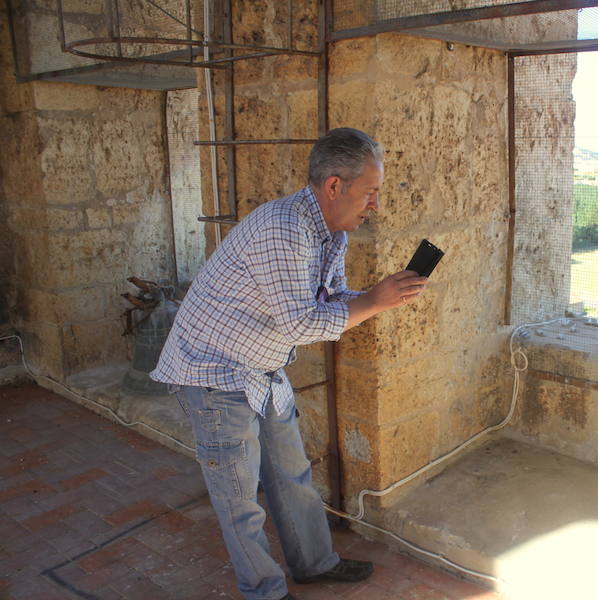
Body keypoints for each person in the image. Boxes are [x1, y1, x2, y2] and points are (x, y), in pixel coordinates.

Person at [150, 128, 427, 600]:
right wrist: (375, 302)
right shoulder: (286, 229)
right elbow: (301, 324)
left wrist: (381, 295)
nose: (374, 206)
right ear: (334, 186)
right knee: (240, 500)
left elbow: (332, 301)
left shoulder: (329, 233)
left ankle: (315, 565)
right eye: (370, 193)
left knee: (292, 476)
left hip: (259, 370)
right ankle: (265, 591)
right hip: (213, 373)